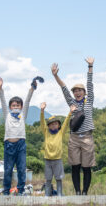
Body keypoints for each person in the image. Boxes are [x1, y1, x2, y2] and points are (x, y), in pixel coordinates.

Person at [52, 57, 96, 195]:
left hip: (87, 137)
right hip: (74, 138)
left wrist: (90, 66)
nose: (77, 92)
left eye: (79, 90)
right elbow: (64, 88)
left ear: (84, 92)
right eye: (75, 91)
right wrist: (55, 75)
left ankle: (85, 193)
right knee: (75, 166)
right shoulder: (71, 102)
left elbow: (89, 84)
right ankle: (77, 191)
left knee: (86, 167)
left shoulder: (89, 101)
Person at [0, 76, 36, 196]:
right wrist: (0, 88)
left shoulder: (22, 115)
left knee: (21, 169)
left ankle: (20, 190)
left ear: (21, 107)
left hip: (20, 144)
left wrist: (31, 89)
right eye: (13, 105)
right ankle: (6, 191)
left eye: (18, 105)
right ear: (10, 107)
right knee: (8, 170)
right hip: (9, 144)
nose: (15, 107)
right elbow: (3, 101)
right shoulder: (7, 115)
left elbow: (28, 101)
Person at [39, 103, 73, 196]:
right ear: (48, 126)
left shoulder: (60, 133)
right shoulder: (46, 132)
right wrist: (42, 111)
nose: (53, 125)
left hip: (58, 159)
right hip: (48, 159)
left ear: (58, 125)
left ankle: (59, 194)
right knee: (48, 178)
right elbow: (42, 122)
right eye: (51, 124)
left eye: (55, 123)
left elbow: (66, 123)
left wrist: (70, 113)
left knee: (59, 178)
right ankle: (47, 195)